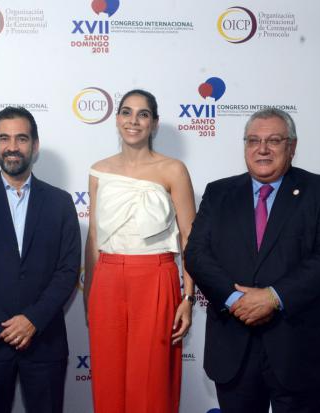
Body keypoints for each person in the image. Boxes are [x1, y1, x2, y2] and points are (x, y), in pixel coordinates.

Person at [185, 108, 320, 413]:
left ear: (292, 146)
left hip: (300, 351)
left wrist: (273, 297)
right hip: (234, 349)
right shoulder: (219, 192)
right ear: (245, 146)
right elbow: (196, 254)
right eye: (253, 140)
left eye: (274, 140)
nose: (262, 149)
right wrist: (235, 299)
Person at [0, 106, 81, 413]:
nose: (12, 146)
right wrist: (3, 326)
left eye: (21, 138)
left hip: (45, 341)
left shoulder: (60, 202)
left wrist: (33, 320)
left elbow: (67, 269)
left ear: (35, 145)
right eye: (4, 138)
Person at [83, 89, 196, 413]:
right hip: (106, 279)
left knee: (153, 379)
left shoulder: (173, 169)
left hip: (156, 277)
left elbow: (189, 237)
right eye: (127, 112)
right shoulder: (98, 170)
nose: (134, 120)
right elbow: (94, 236)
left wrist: (187, 298)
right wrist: (89, 292)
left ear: (154, 123)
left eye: (143, 114)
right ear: (117, 119)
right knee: (108, 377)